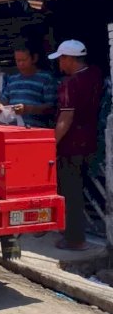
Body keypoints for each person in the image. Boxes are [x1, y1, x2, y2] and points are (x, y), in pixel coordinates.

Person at [48, 39, 103, 251]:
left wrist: (51, 144)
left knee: (71, 194)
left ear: (69, 59)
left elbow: (65, 120)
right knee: (78, 191)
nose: (59, 63)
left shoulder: (70, 84)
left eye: (61, 58)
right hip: (91, 143)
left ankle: (74, 239)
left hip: (71, 147)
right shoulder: (95, 75)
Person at [0, 40, 58, 128]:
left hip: (36, 131)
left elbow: (52, 108)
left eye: (24, 60)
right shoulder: (12, 79)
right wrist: (0, 106)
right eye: (18, 60)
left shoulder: (46, 78)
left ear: (34, 58)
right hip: (13, 129)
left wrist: (27, 109)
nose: (21, 64)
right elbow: (4, 100)